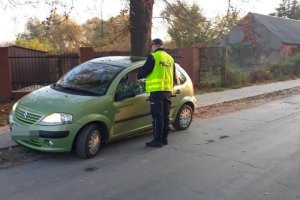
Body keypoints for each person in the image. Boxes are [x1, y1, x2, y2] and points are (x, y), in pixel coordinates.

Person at [137, 38, 176, 147]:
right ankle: (164, 139)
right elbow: (173, 76)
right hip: (167, 91)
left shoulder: (153, 56)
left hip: (156, 92)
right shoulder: (170, 58)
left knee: (157, 117)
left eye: (152, 46)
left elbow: (143, 72)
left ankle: (157, 141)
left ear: (154, 45)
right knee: (165, 116)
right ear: (162, 45)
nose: (151, 47)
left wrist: (138, 74)